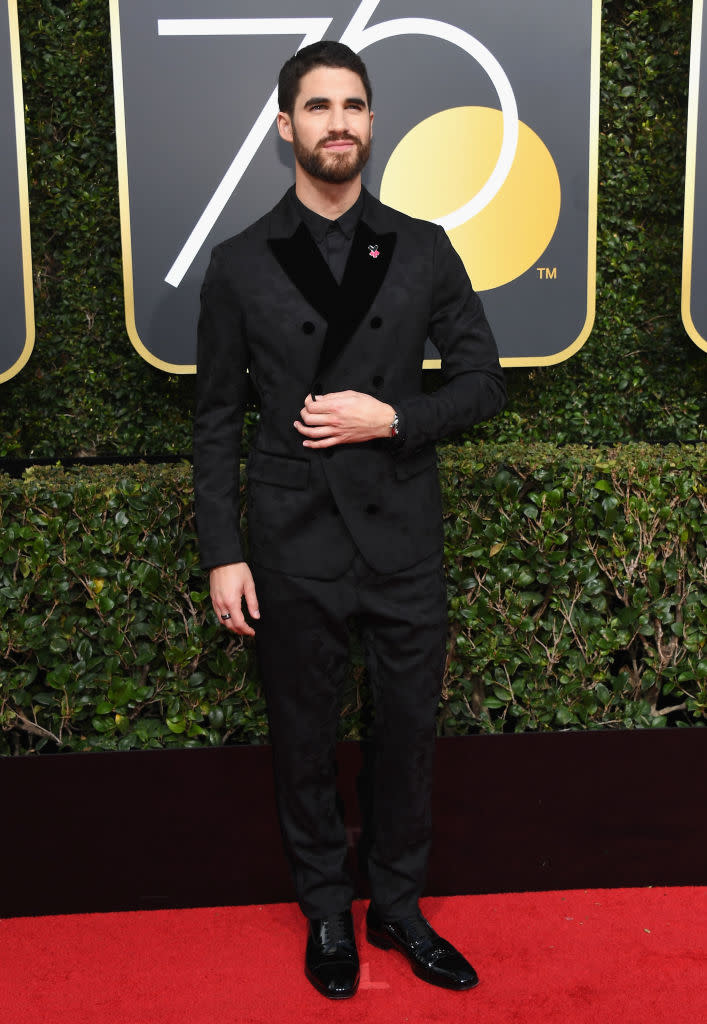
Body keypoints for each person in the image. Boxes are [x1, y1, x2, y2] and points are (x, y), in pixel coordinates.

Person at [193, 40, 506, 1000]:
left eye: (354, 105)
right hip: (293, 542)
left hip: (402, 533)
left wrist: (394, 417)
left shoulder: (422, 246)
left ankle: (397, 907)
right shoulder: (241, 262)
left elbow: (483, 383)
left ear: (373, 123)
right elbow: (214, 423)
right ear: (285, 126)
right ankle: (326, 905)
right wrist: (222, 554)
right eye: (319, 106)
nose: (338, 122)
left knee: (407, 731)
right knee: (301, 733)